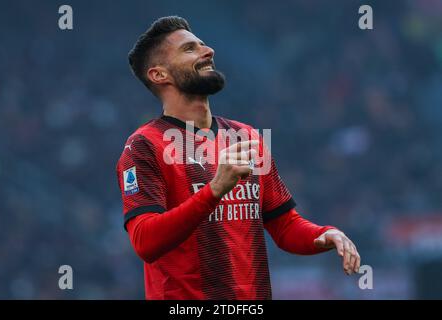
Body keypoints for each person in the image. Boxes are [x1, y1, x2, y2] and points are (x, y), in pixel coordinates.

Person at [116, 16, 361, 300]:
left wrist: (326, 234)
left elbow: (284, 225)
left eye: (203, 45)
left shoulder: (246, 136)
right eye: (189, 49)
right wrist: (214, 190)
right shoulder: (144, 146)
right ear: (159, 75)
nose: (208, 51)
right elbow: (145, 241)